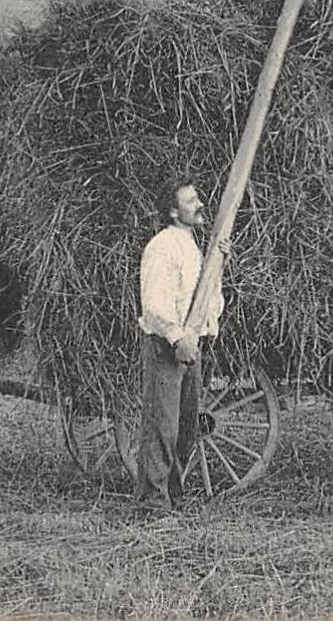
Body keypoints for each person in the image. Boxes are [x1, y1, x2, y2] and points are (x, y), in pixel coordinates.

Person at [134, 176, 225, 511]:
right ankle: (152, 504)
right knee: (163, 427)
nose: (199, 204)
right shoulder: (162, 247)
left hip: (192, 344)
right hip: (166, 347)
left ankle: (174, 495)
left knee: (186, 428)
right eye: (190, 201)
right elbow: (155, 304)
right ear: (174, 212)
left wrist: (219, 266)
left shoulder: (194, 247)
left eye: (197, 198)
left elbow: (207, 298)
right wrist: (176, 338)